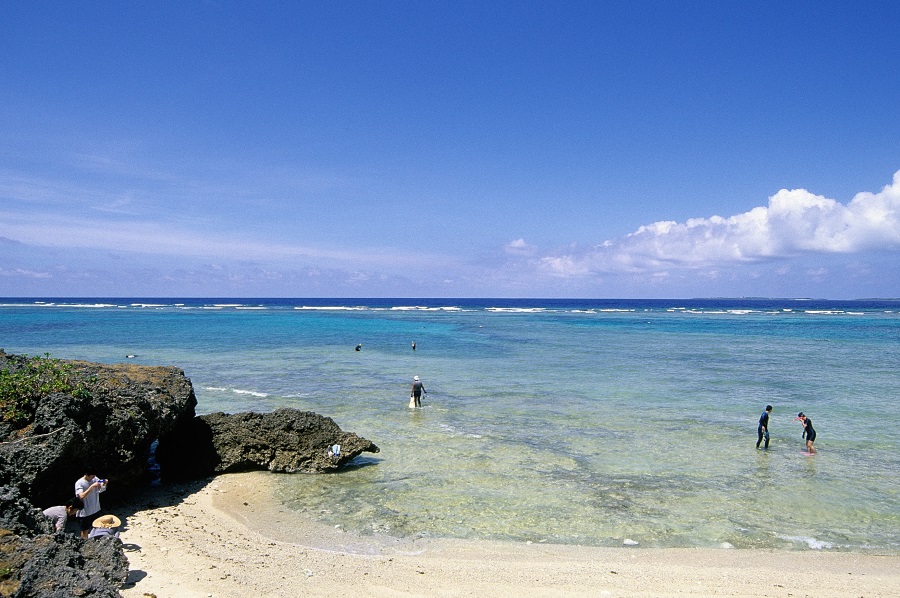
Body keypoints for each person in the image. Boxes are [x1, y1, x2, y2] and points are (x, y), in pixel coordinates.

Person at [75, 468, 108, 538]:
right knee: (85, 531)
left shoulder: (94, 478)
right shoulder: (79, 483)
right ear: (86, 475)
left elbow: (101, 489)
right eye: (91, 476)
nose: (93, 478)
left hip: (96, 509)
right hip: (84, 512)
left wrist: (104, 484)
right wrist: (92, 487)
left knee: (98, 528)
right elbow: (81, 496)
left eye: (94, 476)